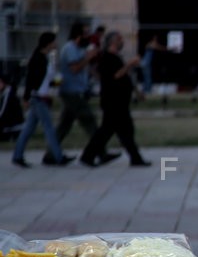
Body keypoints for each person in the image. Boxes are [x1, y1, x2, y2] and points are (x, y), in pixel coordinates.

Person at [49, 22, 119, 165]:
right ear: (78, 35)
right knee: (89, 120)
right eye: (86, 33)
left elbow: (86, 67)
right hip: (70, 92)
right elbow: (75, 68)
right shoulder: (70, 49)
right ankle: (100, 153)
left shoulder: (80, 49)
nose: (89, 36)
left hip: (78, 91)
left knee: (64, 125)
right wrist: (89, 56)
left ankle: (50, 155)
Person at [79, 31, 150, 168]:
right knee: (111, 131)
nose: (122, 41)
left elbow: (124, 77)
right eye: (119, 39)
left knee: (122, 130)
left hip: (120, 102)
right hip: (113, 102)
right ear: (112, 42)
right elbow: (116, 76)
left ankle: (135, 158)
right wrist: (130, 64)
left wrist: (136, 92)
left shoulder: (115, 58)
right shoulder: (107, 58)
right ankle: (88, 156)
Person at [12, 32, 74, 167]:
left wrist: (59, 81)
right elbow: (31, 80)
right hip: (37, 98)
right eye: (54, 41)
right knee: (49, 128)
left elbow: (48, 81)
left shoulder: (47, 58)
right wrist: (26, 97)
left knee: (28, 129)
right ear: (49, 43)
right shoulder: (38, 58)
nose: (56, 44)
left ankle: (17, 156)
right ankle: (59, 157)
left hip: (42, 97)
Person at [0, 72, 24, 142]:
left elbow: (3, 113)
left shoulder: (9, 94)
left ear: (4, 83)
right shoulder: (4, 94)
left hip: (13, 128)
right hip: (8, 125)